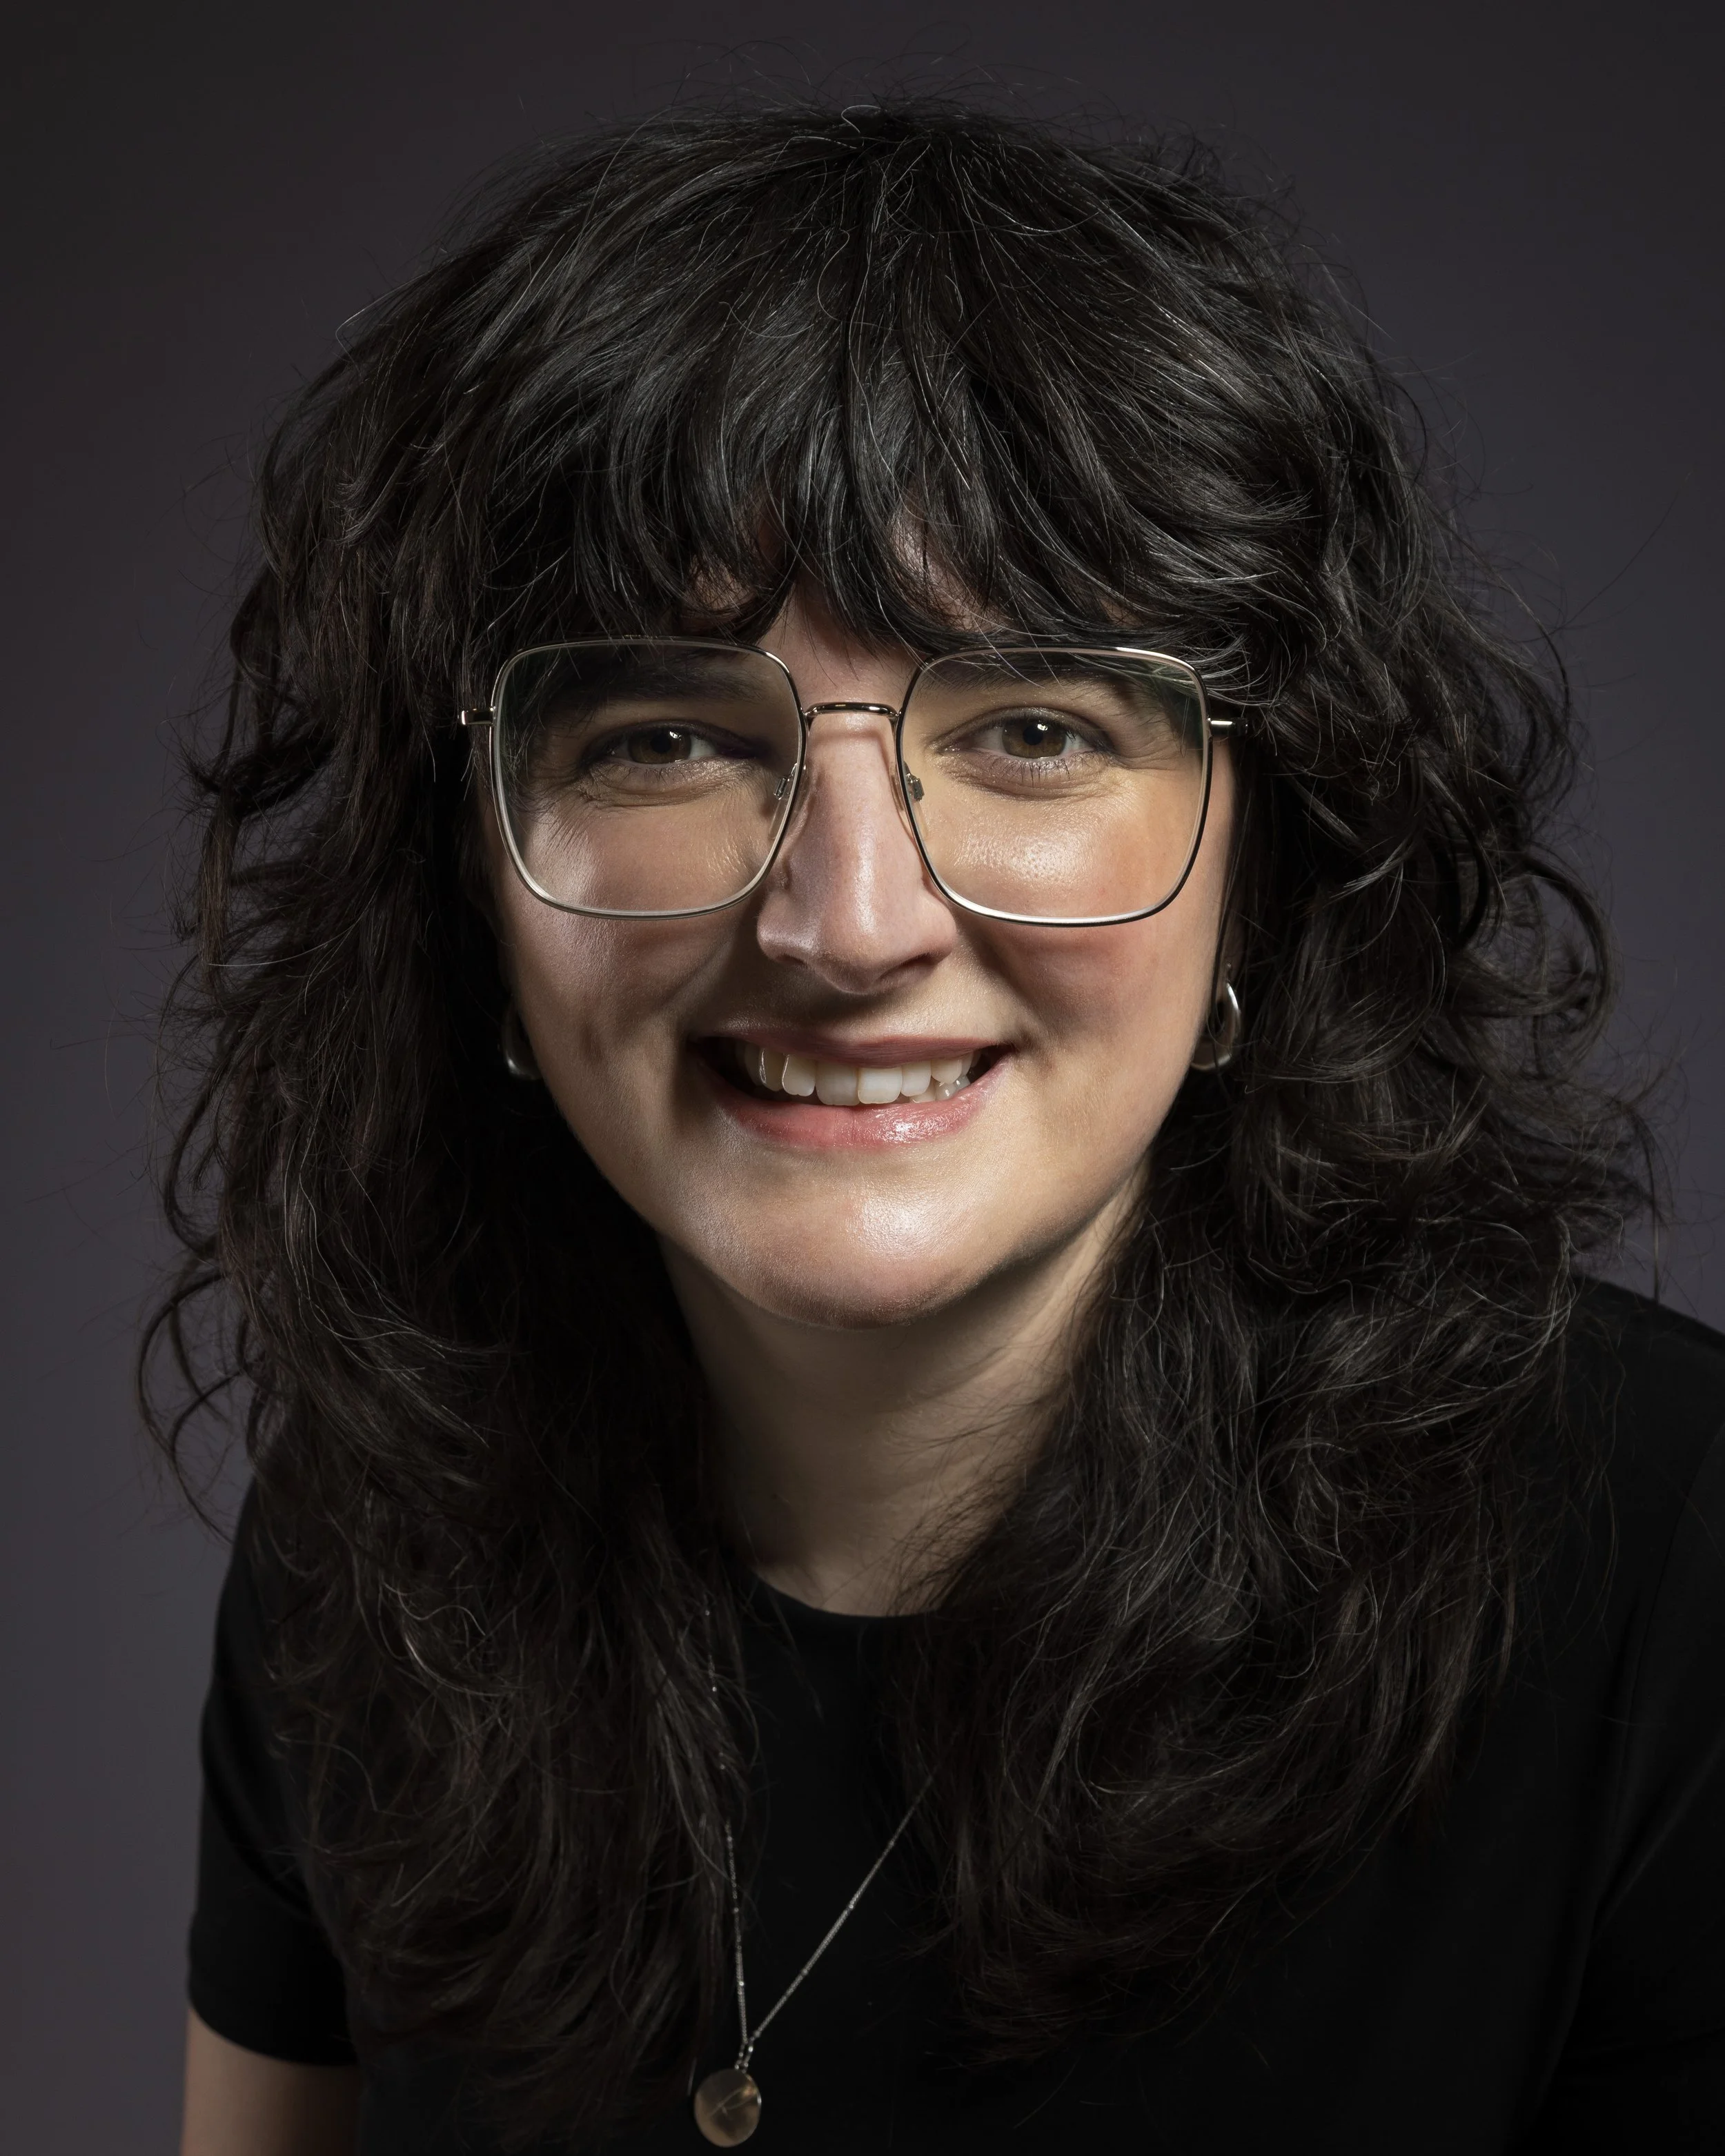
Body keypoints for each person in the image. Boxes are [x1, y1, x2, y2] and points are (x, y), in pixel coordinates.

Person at [150, 102, 1725, 2156]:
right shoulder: (374, 1551)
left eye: (1033, 730)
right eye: (667, 735)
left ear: (1263, 862)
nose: (850, 921)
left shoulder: (1671, 1570)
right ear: (472, 880)